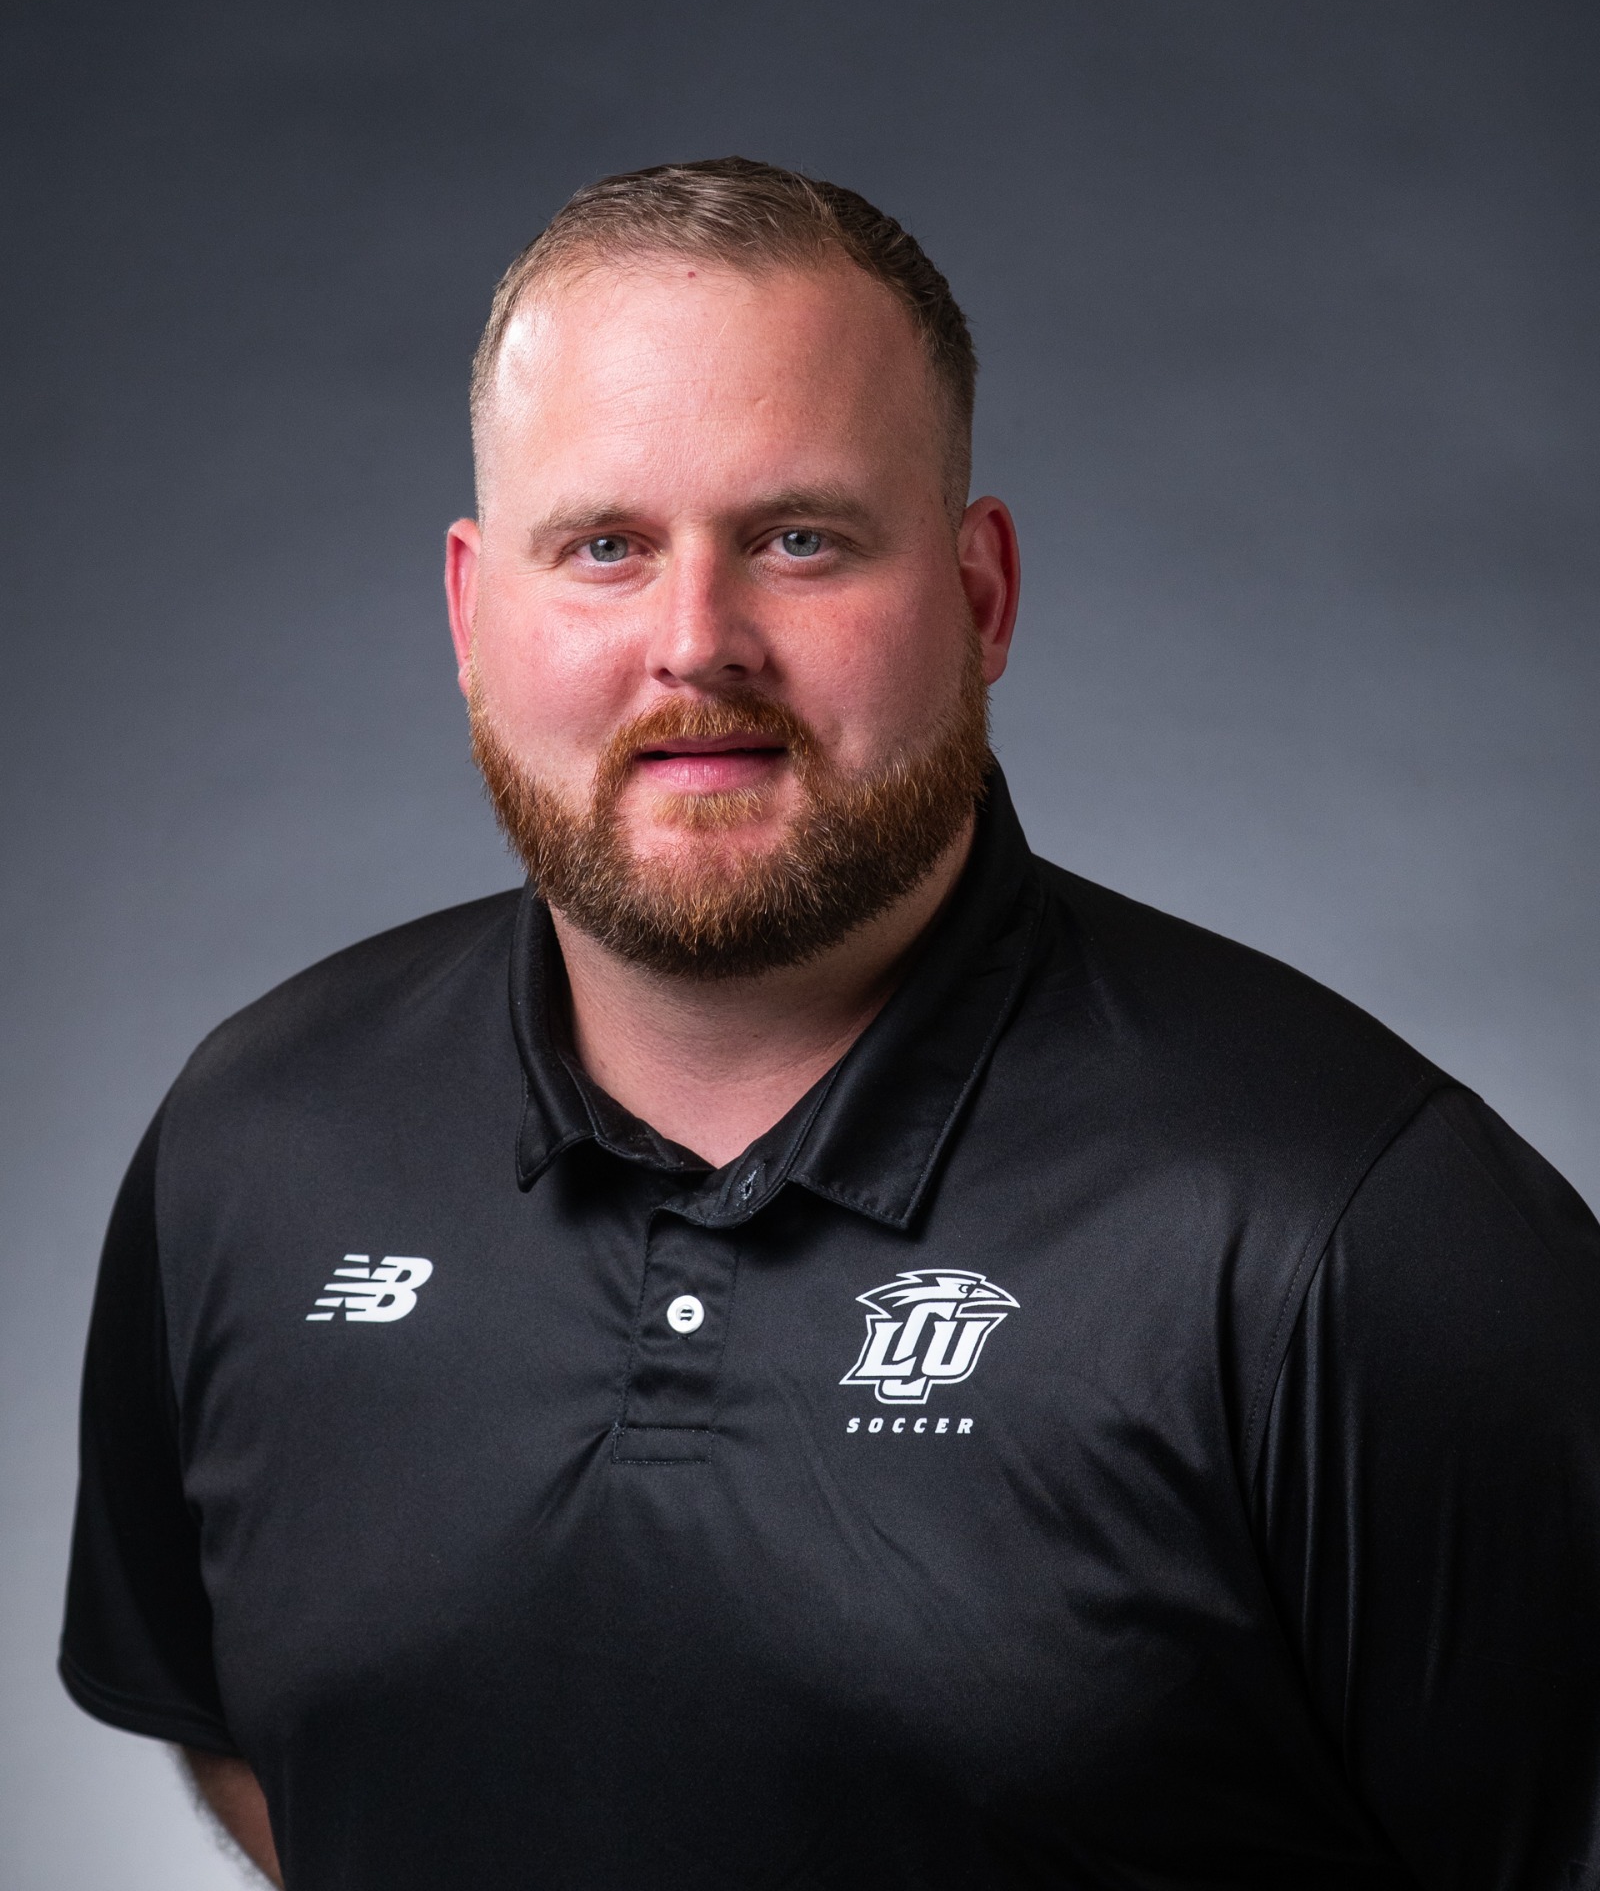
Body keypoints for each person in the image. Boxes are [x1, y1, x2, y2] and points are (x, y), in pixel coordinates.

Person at [61, 158, 1600, 1891]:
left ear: (982, 594)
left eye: (799, 540)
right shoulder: (255, 1147)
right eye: (606, 548)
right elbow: (256, 1741)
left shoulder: (1360, 1237)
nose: (697, 643)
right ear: (472, 615)